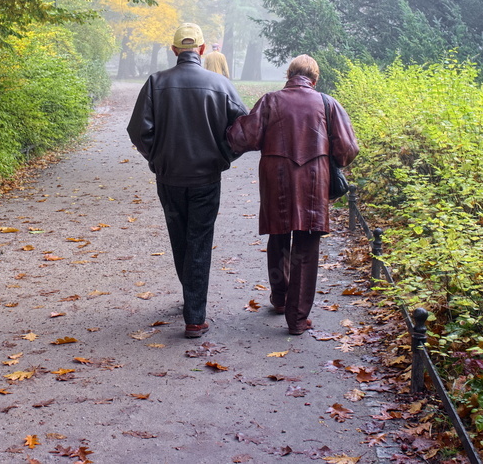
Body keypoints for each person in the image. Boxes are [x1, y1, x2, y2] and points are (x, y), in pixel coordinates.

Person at [127, 23, 248, 338]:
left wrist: (156, 157)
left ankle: (191, 303)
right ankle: (194, 315)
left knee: (180, 237)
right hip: (206, 177)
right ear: (203, 50)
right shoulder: (220, 85)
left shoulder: (156, 83)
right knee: (199, 240)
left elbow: (138, 131)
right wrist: (223, 156)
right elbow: (243, 131)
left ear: (174, 50)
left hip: (169, 177)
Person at [226, 54, 358, 335]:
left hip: (276, 178)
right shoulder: (327, 103)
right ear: (315, 78)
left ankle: (280, 298)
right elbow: (347, 148)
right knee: (307, 244)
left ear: (288, 75)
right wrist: (332, 160)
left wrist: (226, 122)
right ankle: (297, 319)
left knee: (279, 234)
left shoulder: (270, 100)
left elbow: (245, 138)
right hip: (314, 178)